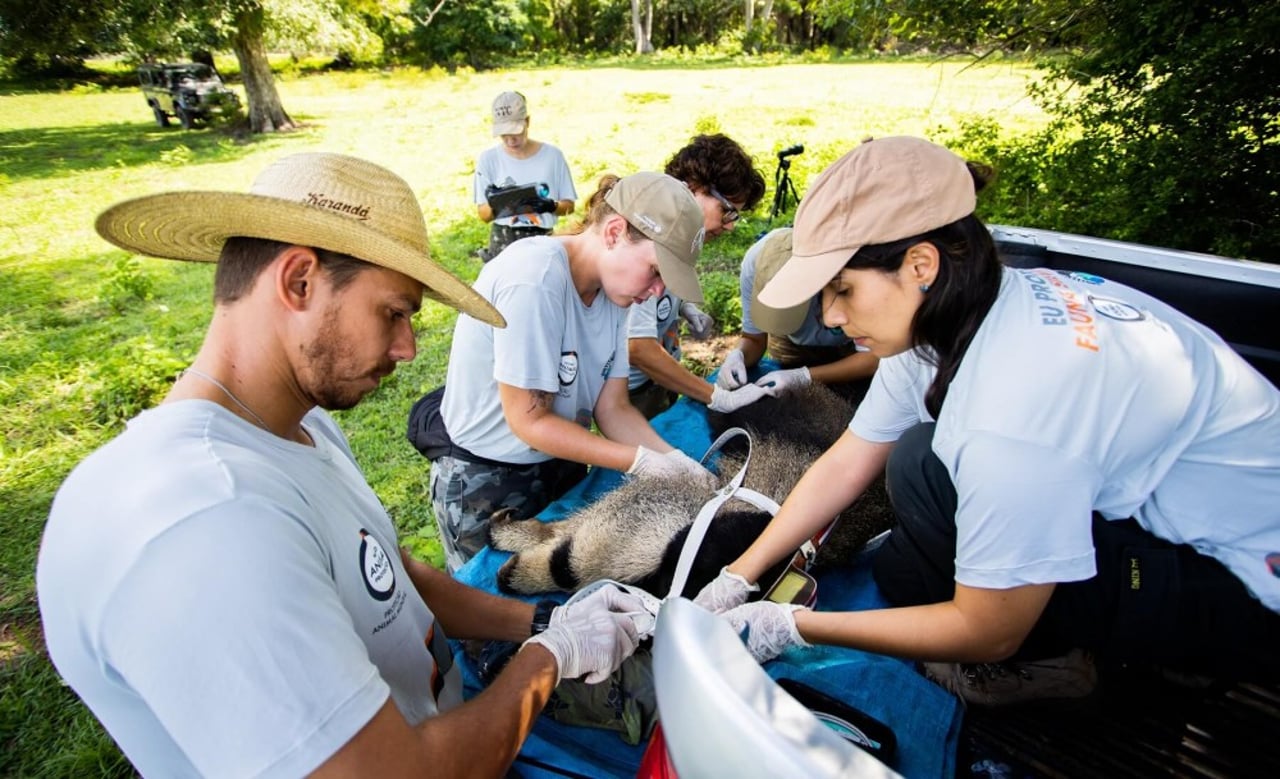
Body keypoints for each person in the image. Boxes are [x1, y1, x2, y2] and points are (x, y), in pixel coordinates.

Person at [36, 152, 646, 776]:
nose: (409, 350)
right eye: (393, 313)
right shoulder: (207, 518)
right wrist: (549, 657)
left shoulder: (302, 428)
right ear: (299, 281)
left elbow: (386, 574)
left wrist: (544, 620)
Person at [694, 136, 1280, 706]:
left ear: (921, 263)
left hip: (1240, 586)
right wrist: (740, 574)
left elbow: (987, 628)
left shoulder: (1015, 405)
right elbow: (851, 457)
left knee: (940, 583)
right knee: (918, 471)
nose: (829, 315)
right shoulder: (959, 313)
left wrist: (794, 625)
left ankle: (1084, 666)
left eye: (843, 289)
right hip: (1149, 513)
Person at [430, 171, 718, 572]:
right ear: (615, 232)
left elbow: (613, 407)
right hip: (491, 478)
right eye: (655, 271)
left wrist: (671, 459)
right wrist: (639, 461)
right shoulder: (534, 279)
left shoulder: (616, 293)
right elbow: (529, 420)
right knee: (499, 603)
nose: (657, 291)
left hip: (560, 459)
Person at [626, 134, 770, 418]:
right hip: (632, 389)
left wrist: (686, 308)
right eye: (727, 211)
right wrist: (714, 396)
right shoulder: (648, 242)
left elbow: (655, 299)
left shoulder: (683, 238)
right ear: (692, 187)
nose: (729, 226)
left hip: (662, 377)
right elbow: (638, 347)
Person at [715, 226, 879, 400]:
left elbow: (872, 357)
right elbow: (754, 338)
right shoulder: (754, 267)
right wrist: (738, 355)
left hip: (850, 345)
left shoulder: (848, 267)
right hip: (791, 346)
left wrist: (804, 377)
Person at [474, 91, 577, 261]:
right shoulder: (488, 159)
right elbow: (483, 215)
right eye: (504, 134)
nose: (510, 140)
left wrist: (548, 206)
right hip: (504, 241)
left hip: (543, 239)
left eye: (515, 133)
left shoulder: (553, 156)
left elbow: (569, 207)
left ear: (527, 122)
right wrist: (501, 202)